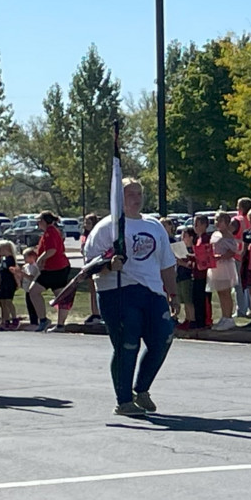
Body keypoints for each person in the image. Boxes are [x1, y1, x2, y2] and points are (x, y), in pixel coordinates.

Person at [86, 178, 179, 416]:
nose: (136, 199)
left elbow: (167, 262)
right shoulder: (107, 227)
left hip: (152, 292)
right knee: (128, 344)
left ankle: (142, 389)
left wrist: (173, 293)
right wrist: (109, 265)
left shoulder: (154, 225)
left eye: (139, 194)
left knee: (163, 337)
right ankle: (124, 400)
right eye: (130, 195)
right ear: (118, 198)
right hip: (119, 292)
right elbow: (91, 266)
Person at [208, 211, 242, 330]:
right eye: (216, 220)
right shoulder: (215, 234)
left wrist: (220, 257)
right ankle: (224, 316)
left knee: (226, 292)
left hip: (225, 266)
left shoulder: (228, 236)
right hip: (215, 266)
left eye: (220, 221)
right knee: (220, 292)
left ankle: (228, 318)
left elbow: (232, 252)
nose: (217, 223)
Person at [0, 239, 20, 329]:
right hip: (2, 282)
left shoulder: (10, 259)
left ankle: (14, 318)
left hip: (9, 283)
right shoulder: (1, 260)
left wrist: (17, 282)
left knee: (8, 301)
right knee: (2, 302)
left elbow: (13, 271)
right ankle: (5, 320)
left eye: (1, 249)